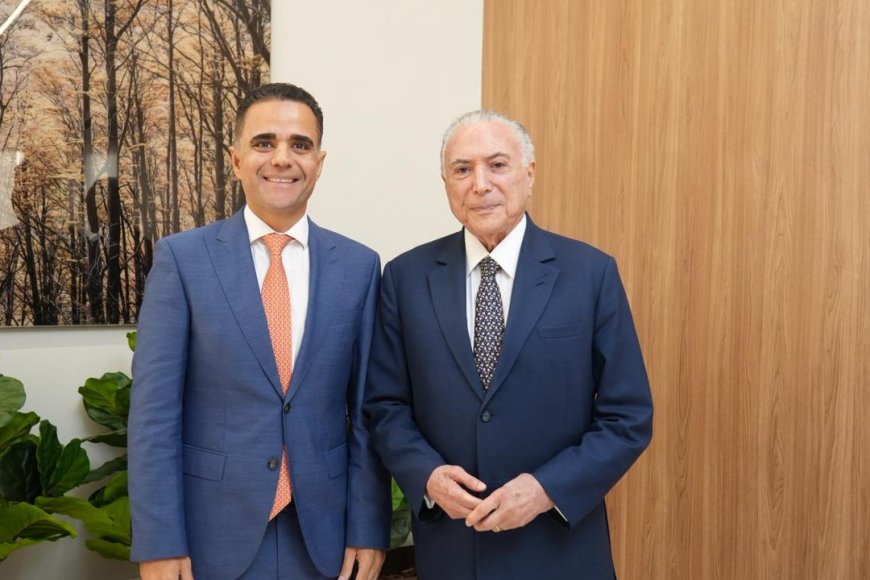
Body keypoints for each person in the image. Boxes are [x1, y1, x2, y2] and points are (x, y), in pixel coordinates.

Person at [364, 110, 653, 579]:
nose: (480, 185)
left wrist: (545, 490)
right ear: (446, 183)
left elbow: (628, 416)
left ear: (529, 173)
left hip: (559, 550)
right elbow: (385, 406)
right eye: (462, 169)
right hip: (451, 551)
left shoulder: (590, 274)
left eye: (497, 165)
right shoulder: (406, 278)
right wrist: (427, 477)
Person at [129, 83, 390, 580]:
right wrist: (159, 542)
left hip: (324, 537)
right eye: (264, 142)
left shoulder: (359, 267)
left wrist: (368, 527)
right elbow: (154, 416)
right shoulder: (182, 260)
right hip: (210, 535)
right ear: (236, 159)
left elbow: (366, 415)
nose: (282, 159)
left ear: (319, 162)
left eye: (300, 145)